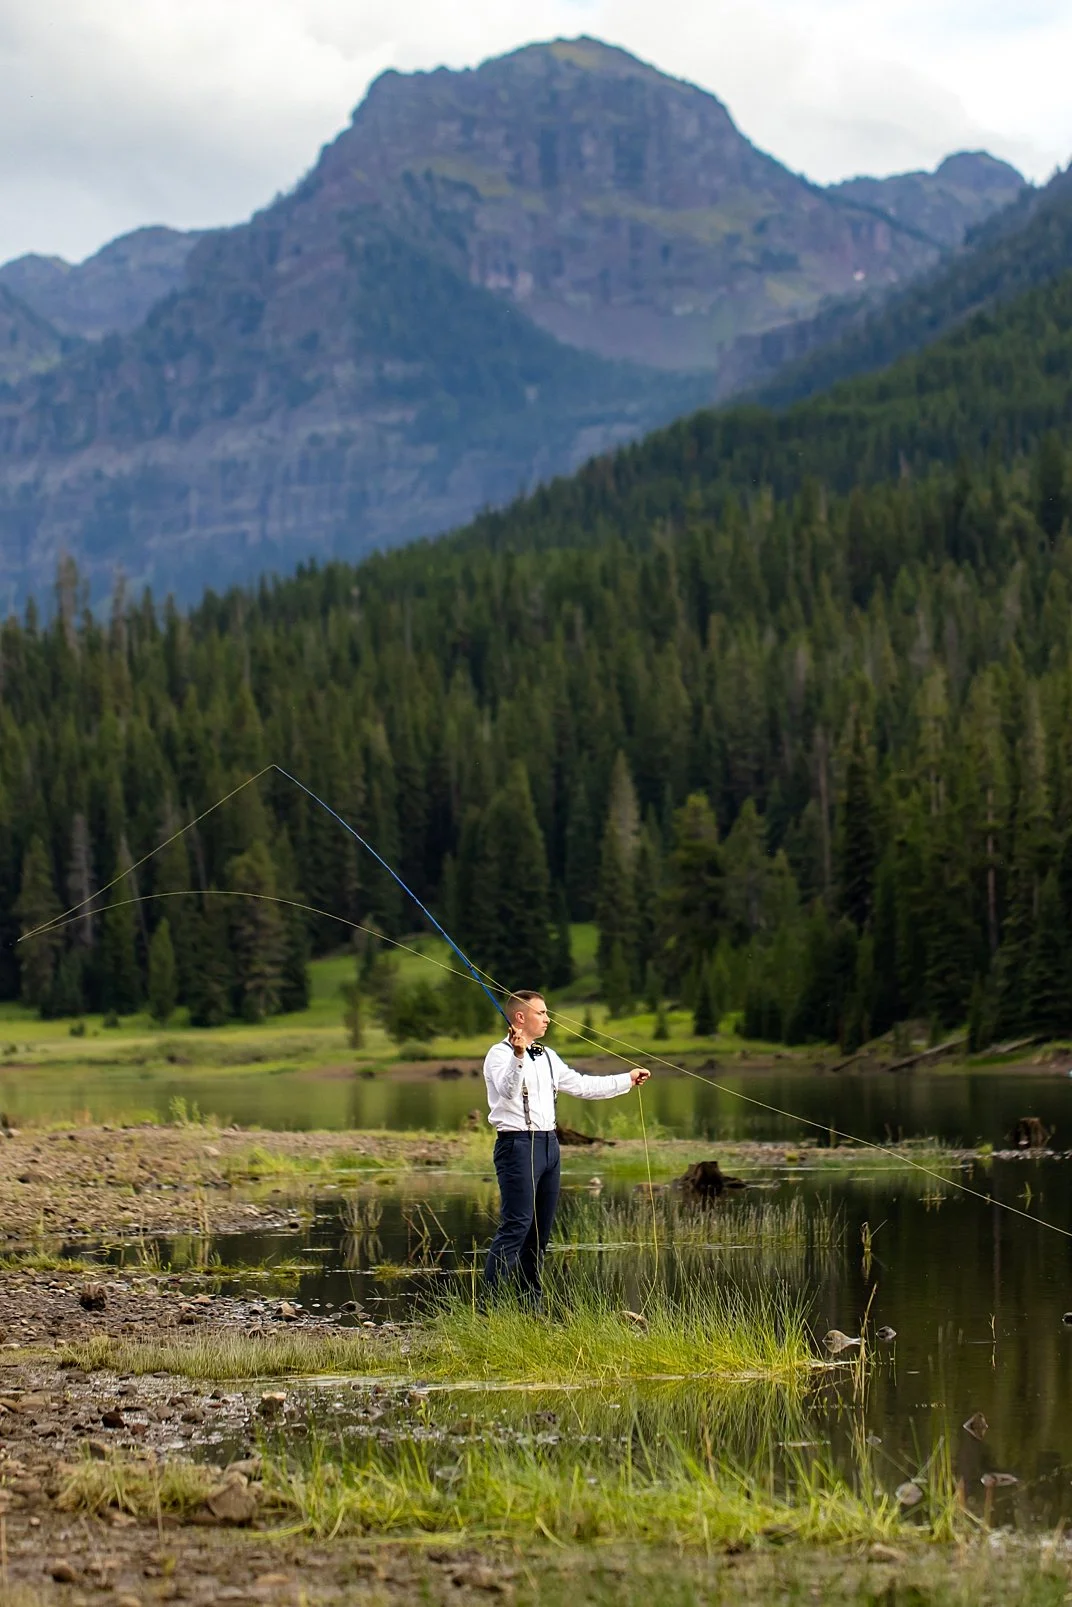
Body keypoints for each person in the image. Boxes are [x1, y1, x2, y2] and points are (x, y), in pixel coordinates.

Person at [483, 989, 650, 1303]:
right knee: (516, 1225)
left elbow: (583, 1085)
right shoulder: (499, 1054)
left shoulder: (546, 1055)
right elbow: (507, 1091)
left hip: (549, 1147)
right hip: (517, 1146)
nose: (547, 1019)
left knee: (538, 1234)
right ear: (520, 1017)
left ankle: (529, 1305)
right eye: (541, 1013)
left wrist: (626, 1079)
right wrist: (518, 1057)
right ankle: (489, 1308)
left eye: (546, 1013)